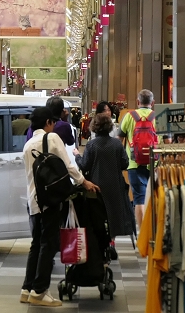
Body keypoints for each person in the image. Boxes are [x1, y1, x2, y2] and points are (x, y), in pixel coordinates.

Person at [21, 107, 98, 307]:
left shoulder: (28, 144)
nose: (54, 125)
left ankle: (27, 288)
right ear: (48, 122)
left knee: (36, 244)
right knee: (48, 244)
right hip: (49, 200)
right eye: (53, 122)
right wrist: (84, 182)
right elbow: (68, 165)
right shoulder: (52, 138)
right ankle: (40, 291)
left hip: (33, 200)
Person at [76, 114, 134, 243]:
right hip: (115, 186)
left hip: (96, 188)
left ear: (94, 127)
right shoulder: (117, 144)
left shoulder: (92, 145)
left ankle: (101, 246)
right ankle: (111, 241)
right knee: (112, 216)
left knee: (98, 218)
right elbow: (125, 163)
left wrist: (77, 156)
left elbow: (84, 165)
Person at [119, 89, 155, 229]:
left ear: (138, 102)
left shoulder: (129, 116)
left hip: (133, 162)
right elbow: (168, 141)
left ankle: (143, 233)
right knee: (153, 198)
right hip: (154, 163)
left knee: (139, 198)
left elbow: (119, 139)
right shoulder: (158, 116)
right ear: (153, 102)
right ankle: (152, 230)